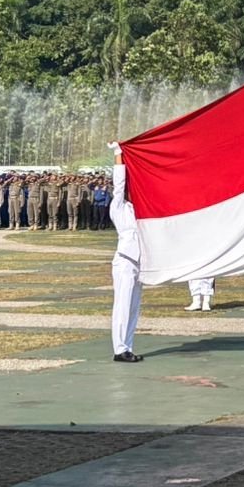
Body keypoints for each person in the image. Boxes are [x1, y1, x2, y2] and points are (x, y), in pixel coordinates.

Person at [107, 143, 144, 362]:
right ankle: (119, 349)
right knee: (122, 305)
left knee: (133, 307)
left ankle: (127, 346)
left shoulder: (142, 209)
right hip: (125, 260)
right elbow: (119, 185)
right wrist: (118, 154)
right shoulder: (119, 207)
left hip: (140, 262)